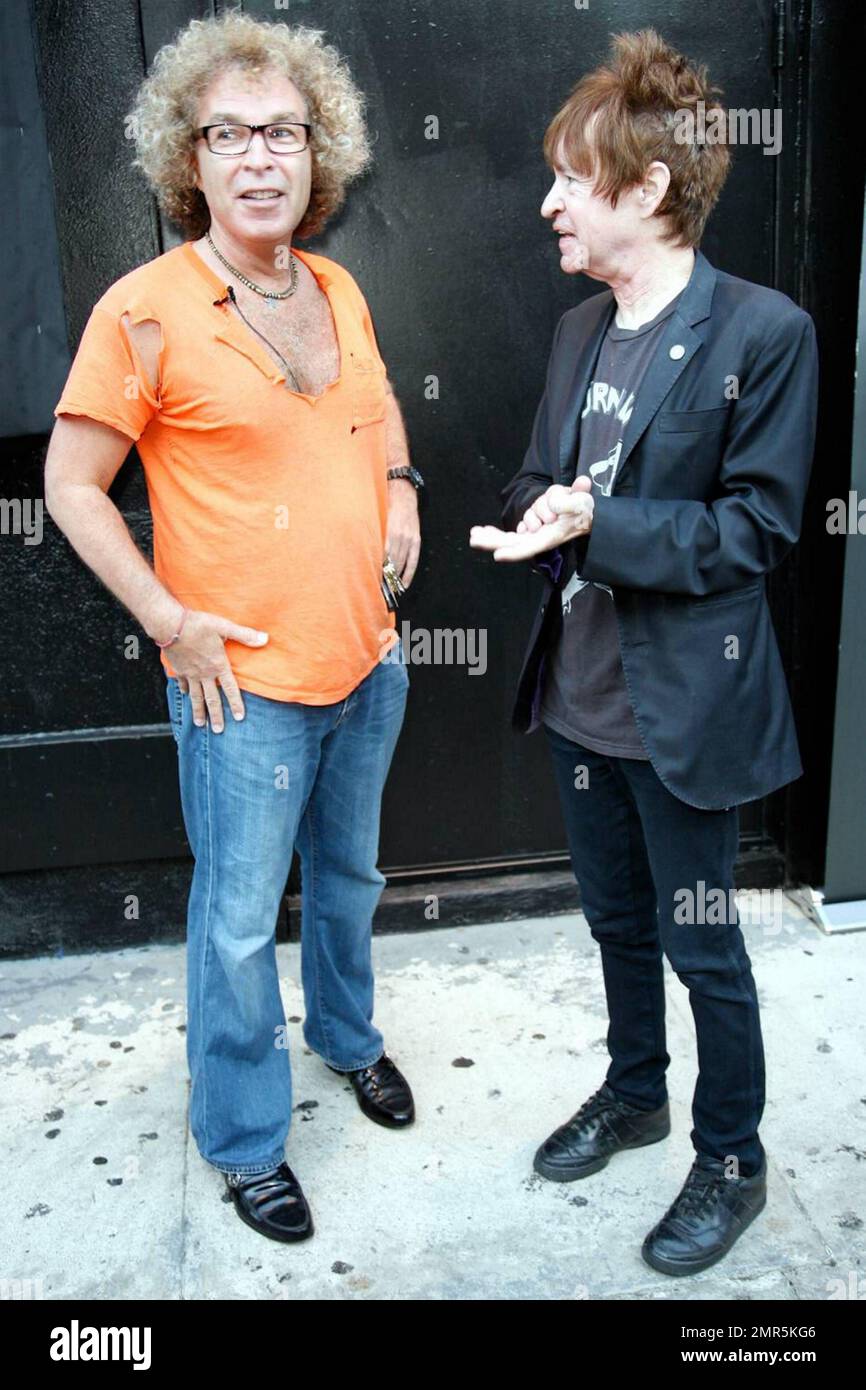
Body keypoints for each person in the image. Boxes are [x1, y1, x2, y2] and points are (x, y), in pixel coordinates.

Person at [44, 11, 425, 1245]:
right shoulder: (143, 310)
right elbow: (67, 486)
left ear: (320, 153)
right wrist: (167, 619)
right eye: (230, 135)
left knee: (354, 879)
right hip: (241, 688)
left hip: (367, 657)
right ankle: (246, 1137)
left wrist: (404, 487)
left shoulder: (338, 285)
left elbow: (375, 414)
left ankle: (351, 1040)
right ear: (187, 158)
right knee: (235, 917)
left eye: (284, 133)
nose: (261, 158)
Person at [470, 28, 819, 1276]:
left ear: (648, 188)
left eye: (571, 178)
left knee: (700, 942)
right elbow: (537, 473)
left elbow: (757, 527)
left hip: (684, 711)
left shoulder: (764, 333)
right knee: (616, 921)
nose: (550, 202)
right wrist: (528, 517)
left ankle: (731, 1156)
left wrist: (596, 521)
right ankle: (636, 1092)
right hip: (579, 694)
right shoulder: (578, 331)